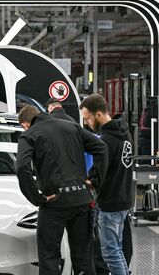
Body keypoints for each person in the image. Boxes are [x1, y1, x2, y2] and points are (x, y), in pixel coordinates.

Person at [15, 104, 108, 275]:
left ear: (25, 124)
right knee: (84, 259)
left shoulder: (29, 135)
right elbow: (101, 147)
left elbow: (21, 167)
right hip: (81, 200)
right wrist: (94, 181)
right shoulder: (71, 126)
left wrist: (37, 198)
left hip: (54, 204)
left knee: (50, 259)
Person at [80, 95, 134, 275]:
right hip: (124, 199)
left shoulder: (105, 140)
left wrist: (87, 181)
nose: (86, 123)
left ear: (98, 115)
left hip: (110, 203)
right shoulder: (124, 132)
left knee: (110, 253)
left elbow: (98, 173)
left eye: (87, 118)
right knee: (118, 250)